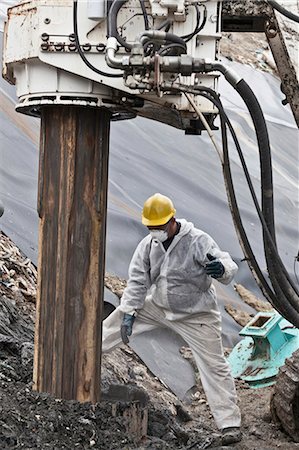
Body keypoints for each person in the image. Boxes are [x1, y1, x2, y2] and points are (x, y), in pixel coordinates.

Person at [102, 193, 242, 445]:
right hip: (159, 306)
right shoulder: (148, 246)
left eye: (158, 227)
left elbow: (226, 263)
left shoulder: (197, 240)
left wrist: (222, 270)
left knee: (214, 365)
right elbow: (137, 281)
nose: (154, 231)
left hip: (196, 314)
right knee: (115, 321)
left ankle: (229, 423)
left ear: (172, 220)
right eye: (150, 227)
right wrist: (130, 313)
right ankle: (81, 356)